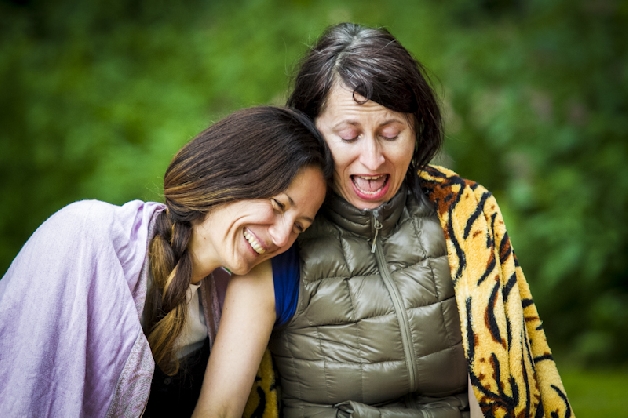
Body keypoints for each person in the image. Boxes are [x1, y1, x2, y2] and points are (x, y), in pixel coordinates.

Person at [197, 23, 574, 418]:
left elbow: (495, 387)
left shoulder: (462, 215)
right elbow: (221, 408)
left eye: (391, 133)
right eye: (349, 136)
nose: (373, 160)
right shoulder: (279, 238)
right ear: (309, 131)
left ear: (417, 129)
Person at [0, 106, 333, 417]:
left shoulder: (227, 305)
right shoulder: (86, 237)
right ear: (230, 174)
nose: (281, 238)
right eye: (278, 205)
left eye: (299, 227)